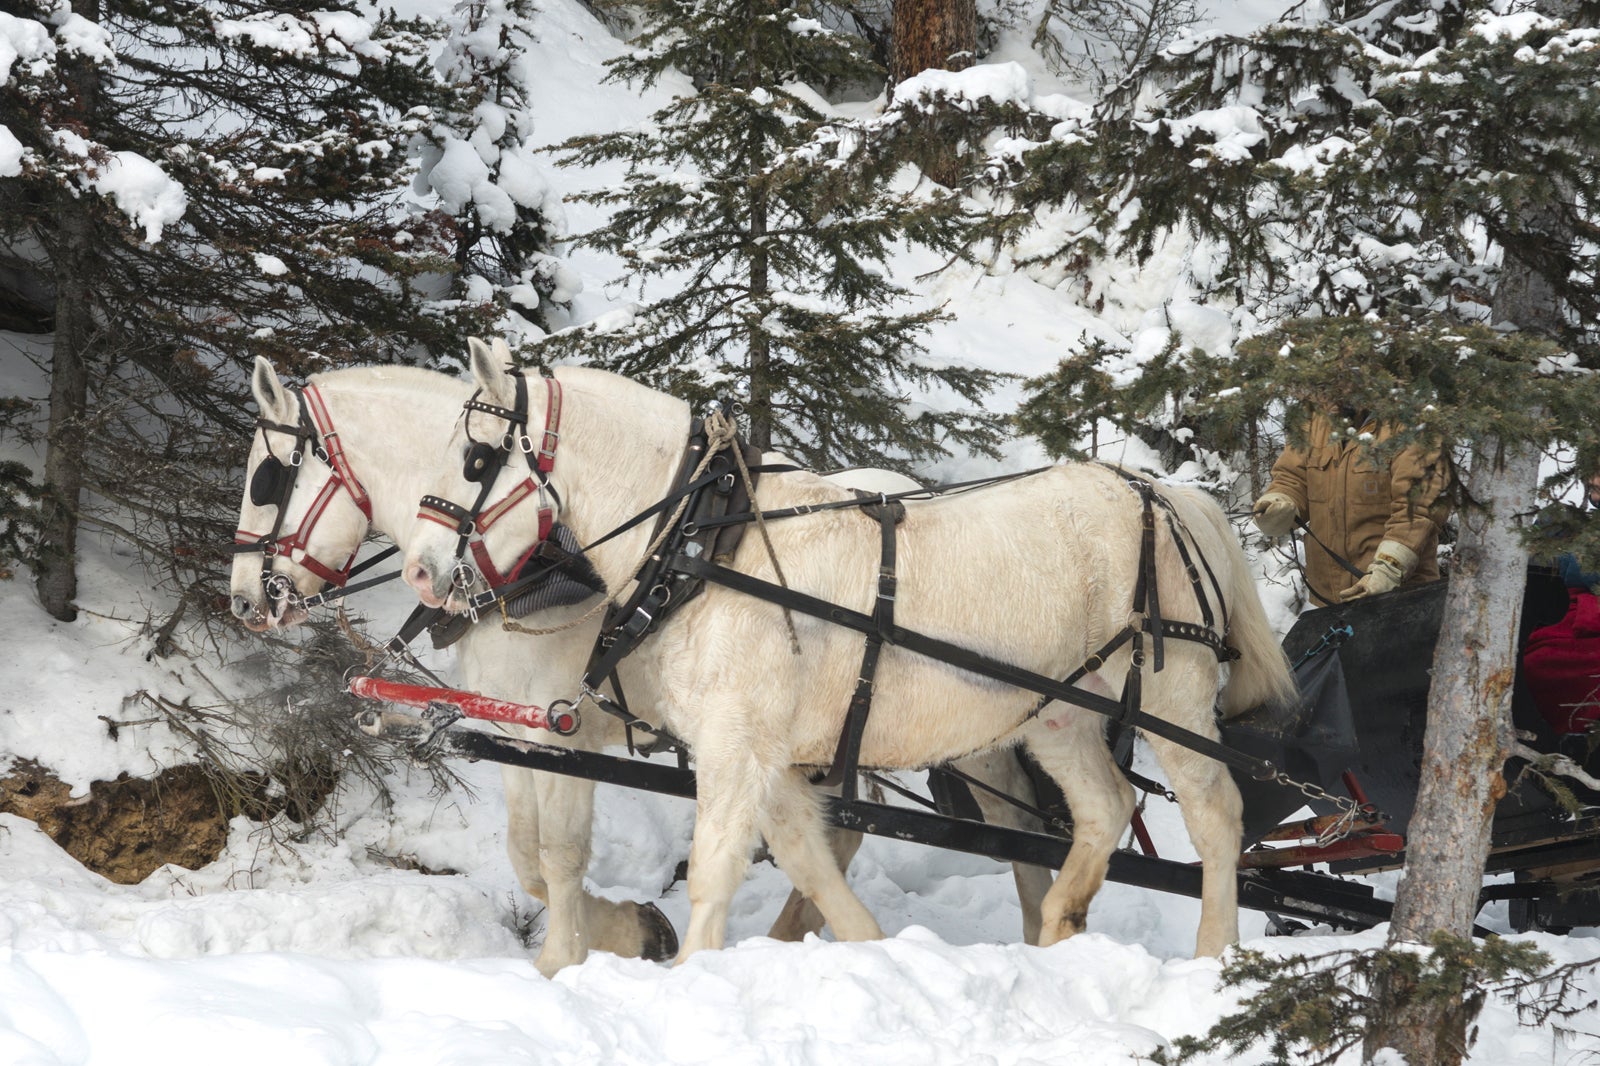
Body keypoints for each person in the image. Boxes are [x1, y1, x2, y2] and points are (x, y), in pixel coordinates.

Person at [1250, 408, 1451, 606]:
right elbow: (1292, 478)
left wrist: (1387, 569)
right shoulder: (1315, 419)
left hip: (1400, 602)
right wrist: (1278, 503)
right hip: (1328, 604)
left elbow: (1418, 510)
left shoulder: (1413, 420)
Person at [1523, 473, 1600, 738]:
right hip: (1572, 610)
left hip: (1587, 615)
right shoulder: (1575, 525)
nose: (1596, 496)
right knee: (1540, 655)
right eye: (1593, 488)